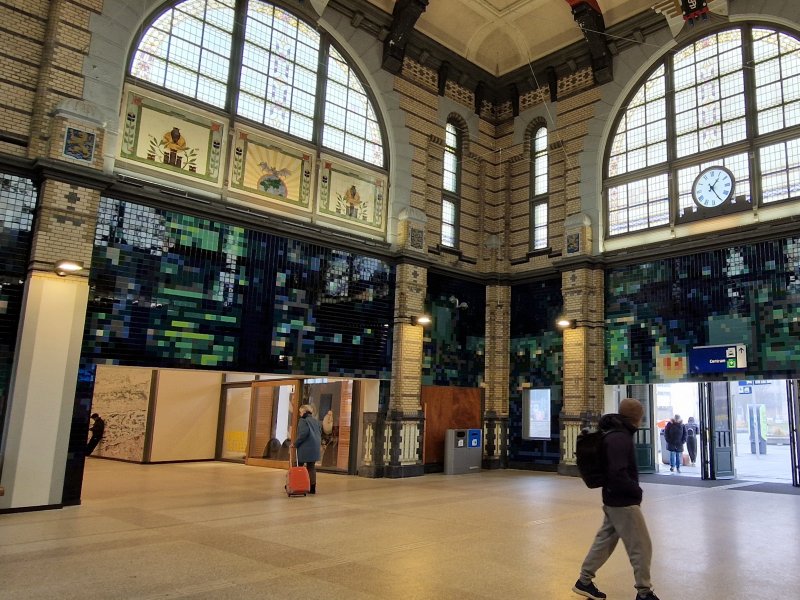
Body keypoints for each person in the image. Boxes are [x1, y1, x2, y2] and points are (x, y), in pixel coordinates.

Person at [573, 397, 659, 600]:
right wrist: (635, 491)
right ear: (637, 416)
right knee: (641, 546)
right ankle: (644, 592)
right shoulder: (620, 437)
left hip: (613, 498)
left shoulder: (614, 433)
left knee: (604, 541)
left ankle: (584, 581)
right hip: (623, 500)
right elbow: (617, 472)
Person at [293, 404, 321, 494]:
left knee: (298, 465)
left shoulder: (303, 420)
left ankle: (296, 484)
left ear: (304, 411)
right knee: (311, 467)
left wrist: (295, 444)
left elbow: (303, 434)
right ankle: (312, 488)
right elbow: (319, 432)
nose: (300, 414)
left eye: (300, 412)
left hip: (305, 447)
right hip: (315, 447)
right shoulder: (315, 421)